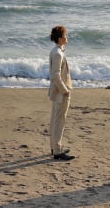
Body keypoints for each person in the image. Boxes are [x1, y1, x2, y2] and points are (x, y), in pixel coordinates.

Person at [48, 25, 74, 161]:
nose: (66, 37)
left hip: (57, 92)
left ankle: (54, 147)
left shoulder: (56, 51)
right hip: (60, 93)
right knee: (59, 121)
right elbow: (55, 75)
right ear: (59, 38)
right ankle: (57, 151)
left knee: (55, 120)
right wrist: (65, 91)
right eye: (65, 35)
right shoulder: (58, 53)